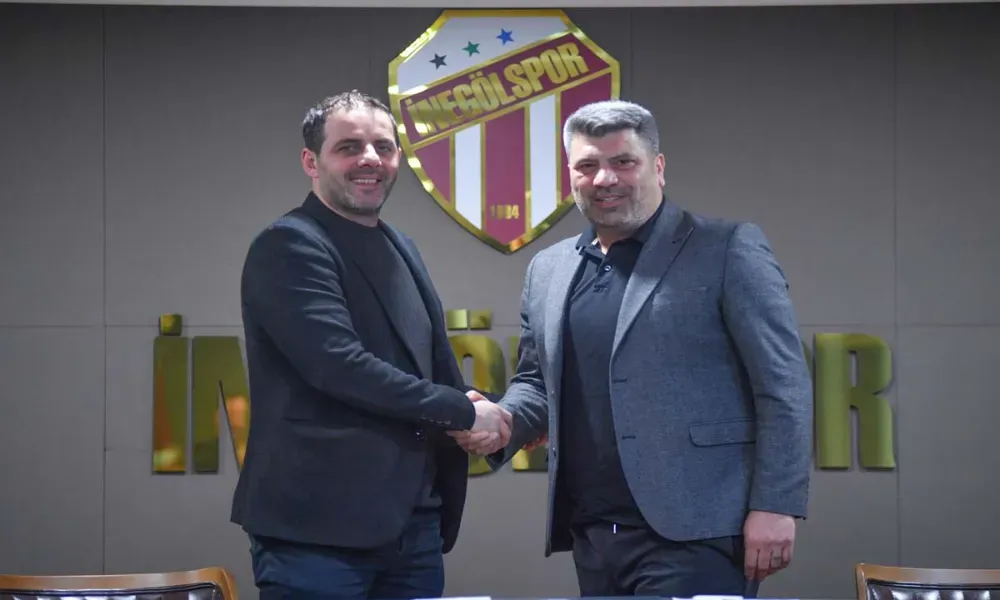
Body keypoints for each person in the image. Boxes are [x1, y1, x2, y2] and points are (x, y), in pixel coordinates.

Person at [451, 99, 813, 598]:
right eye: (588, 165)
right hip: (593, 533)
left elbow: (783, 384)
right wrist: (504, 419)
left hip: (699, 531)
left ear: (657, 167)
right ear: (570, 175)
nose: (605, 179)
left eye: (623, 162)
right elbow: (538, 382)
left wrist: (776, 504)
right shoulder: (549, 269)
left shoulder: (727, 248)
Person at [231, 90, 512, 600]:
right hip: (317, 533)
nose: (370, 159)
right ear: (311, 162)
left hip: (414, 527)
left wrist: (490, 414)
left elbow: (428, 367)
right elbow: (338, 366)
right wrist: (462, 412)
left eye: (383, 147)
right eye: (349, 147)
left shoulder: (401, 246)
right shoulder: (290, 244)